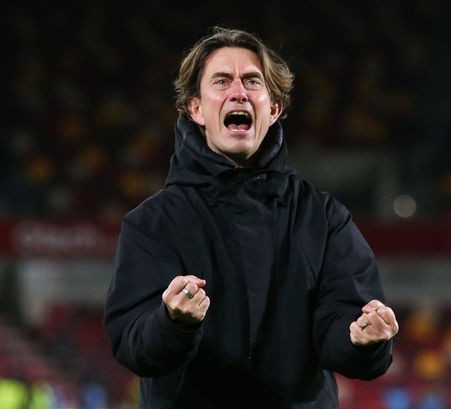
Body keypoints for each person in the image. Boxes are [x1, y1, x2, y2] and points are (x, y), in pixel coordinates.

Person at [104, 26, 399, 409]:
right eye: (221, 81)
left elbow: (343, 322)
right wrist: (173, 322)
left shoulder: (323, 217)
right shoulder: (152, 223)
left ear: (273, 109)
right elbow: (132, 344)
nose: (238, 91)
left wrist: (362, 340)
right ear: (196, 109)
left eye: (252, 81)